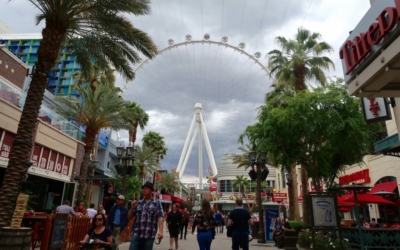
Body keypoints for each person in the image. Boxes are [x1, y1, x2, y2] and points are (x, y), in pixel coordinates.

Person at [127, 181, 164, 250]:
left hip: (149, 235)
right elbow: (129, 217)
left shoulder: (157, 203)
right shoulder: (139, 203)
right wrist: (132, 208)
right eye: (143, 188)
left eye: (146, 188)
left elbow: (160, 218)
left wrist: (161, 232)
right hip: (136, 234)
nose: (144, 190)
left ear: (151, 191)